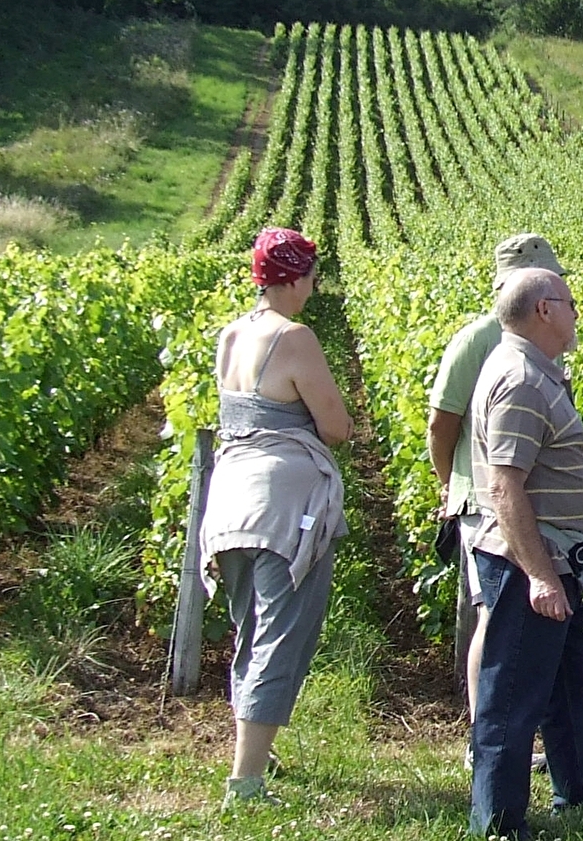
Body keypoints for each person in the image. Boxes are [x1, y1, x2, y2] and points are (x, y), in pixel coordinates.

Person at [200, 227, 354, 809]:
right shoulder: (295, 339)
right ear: (291, 278)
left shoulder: (232, 335)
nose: (314, 288)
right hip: (282, 508)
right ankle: (244, 783)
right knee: (281, 635)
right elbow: (336, 426)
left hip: (230, 496)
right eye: (310, 276)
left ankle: (256, 753)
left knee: (250, 628)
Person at [467, 267, 583, 839]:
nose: (578, 313)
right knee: (511, 697)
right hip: (530, 562)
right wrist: (539, 576)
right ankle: (498, 821)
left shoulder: (533, 372)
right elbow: (506, 485)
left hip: (555, 559)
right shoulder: (523, 380)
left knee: (566, 682)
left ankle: (580, 793)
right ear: (545, 310)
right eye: (571, 303)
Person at [426, 233, 567, 768]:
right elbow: (443, 422)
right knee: (492, 617)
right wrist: (453, 484)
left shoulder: (542, 338)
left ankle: (512, 735)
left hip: (529, 500)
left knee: (514, 620)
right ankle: (485, 741)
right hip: (489, 501)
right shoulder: (478, 339)